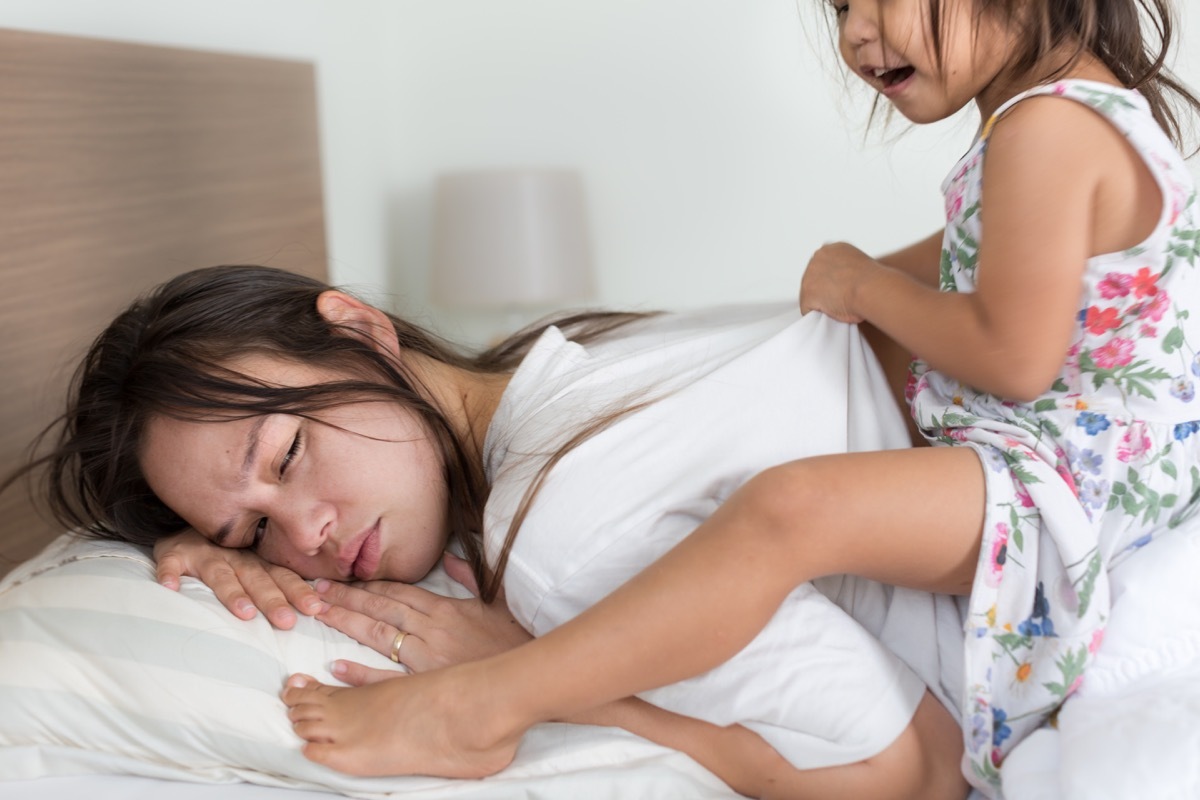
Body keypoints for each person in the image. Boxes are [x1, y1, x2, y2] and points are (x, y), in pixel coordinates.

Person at [265, 0, 1200, 797]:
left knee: (789, 506)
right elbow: (965, 273)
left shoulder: (1046, 130)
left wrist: (863, 285)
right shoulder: (1061, 118)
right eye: (839, 10)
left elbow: (1013, 355)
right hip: (1093, 474)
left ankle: (486, 702)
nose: (856, 38)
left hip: (1069, 488)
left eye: (874, 1)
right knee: (799, 499)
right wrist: (862, 279)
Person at [19, 264, 968, 799]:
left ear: (357, 329)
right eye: (252, 532)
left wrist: (551, 685)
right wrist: (184, 549)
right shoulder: (578, 365)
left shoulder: (560, 533)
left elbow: (919, 773)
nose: (304, 536)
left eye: (288, 454)